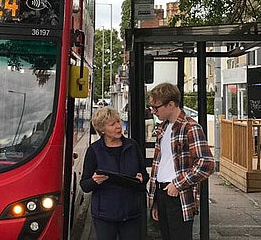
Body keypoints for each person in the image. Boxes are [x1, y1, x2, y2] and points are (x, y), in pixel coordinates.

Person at [147, 83, 214, 240]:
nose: (152, 111)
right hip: (162, 192)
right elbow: (161, 164)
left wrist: (178, 184)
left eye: (156, 107)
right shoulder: (163, 127)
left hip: (178, 195)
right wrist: (156, 200)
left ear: (171, 104)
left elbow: (206, 163)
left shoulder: (190, 127)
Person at [80, 107, 149, 240]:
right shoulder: (94, 150)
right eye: (112, 124)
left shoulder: (132, 146)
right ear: (102, 130)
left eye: (119, 121)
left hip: (131, 214)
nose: (119, 126)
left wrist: (141, 179)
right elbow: (84, 185)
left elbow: (145, 175)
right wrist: (94, 181)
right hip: (104, 216)